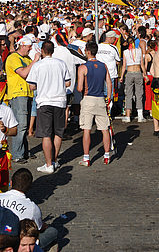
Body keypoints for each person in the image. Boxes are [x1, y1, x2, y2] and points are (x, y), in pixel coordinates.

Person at [26, 41, 71, 174]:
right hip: (60, 101)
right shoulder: (61, 64)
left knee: (46, 134)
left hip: (45, 101)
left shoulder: (38, 65)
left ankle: (48, 164)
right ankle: (55, 161)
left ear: (42, 50)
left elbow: (32, 86)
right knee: (58, 133)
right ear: (53, 50)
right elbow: (68, 82)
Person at [0, 168, 58, 251]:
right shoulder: (33, 208)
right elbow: (37, 230)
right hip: (18, 240)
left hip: (6, 237)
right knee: (52, 231)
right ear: (30, 187)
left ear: (11, 182)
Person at [5, 37, 40, 163]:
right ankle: (17, 154)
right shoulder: (13, 58)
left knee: (24, 124)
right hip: (17, 93)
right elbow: (24, 73)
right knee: (21, 124)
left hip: (28, 93)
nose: (30, 49)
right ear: (22, 45)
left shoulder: (27, 59)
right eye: (29, 46)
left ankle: (24, 151)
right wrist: (35, 61)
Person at [77, 41, 112, 166]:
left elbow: (80, 88)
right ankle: (106, 155)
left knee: (86, 129)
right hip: (100, 98)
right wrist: (108, 97)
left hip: (88, 99)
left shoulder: (83, 67)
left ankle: (86, 158)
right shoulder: (104, 65)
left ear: (87, 51)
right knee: (104, 129)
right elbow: (109, 83)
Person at [120, 37, 148, 123]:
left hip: (129, 72)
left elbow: (124, 66)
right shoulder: (139, 51)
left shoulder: (125, 52)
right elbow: (142, 64)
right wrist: (145, 74)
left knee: (128, 94)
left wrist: (121, 76)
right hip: (138, 72)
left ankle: (128, 116)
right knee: (139, 94)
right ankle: (140, 115)